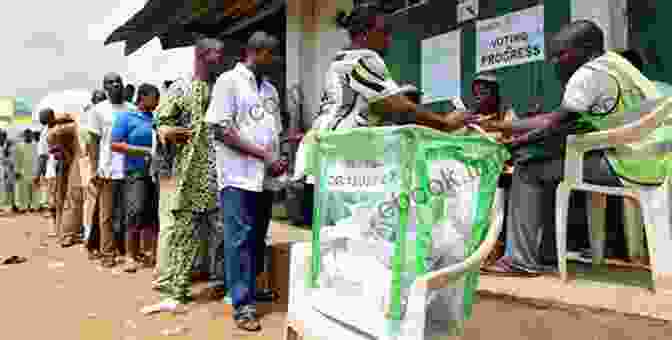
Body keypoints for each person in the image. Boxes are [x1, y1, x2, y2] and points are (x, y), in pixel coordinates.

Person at [477, 20, 662, 275]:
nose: (555, 62)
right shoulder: (618, 65)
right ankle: (548, 254)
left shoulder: (587, 75)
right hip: (658, 161)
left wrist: (508, 141)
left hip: (631, 165)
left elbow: (552, 125)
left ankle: (519, 260)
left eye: (561, 54)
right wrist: (506, 130)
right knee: (549, 168)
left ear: (586, 48)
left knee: (528, 168)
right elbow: (565, 123)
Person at [206, 30, 285, 332]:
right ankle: (241, 304)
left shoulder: (271, 91)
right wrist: (264, 156)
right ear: (256, 53)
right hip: (237, 176)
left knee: (255, 238)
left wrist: (279, 160)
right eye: (272, 54)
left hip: (264, 178)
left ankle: (249, 289)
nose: (275, 60)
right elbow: (221, 130)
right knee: (238, 239)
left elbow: (273, 132)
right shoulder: (229, 82)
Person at [142, 37, 225, 314]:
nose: (220, 59)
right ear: (202, 56)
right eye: (216, 54)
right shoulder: (182, 87)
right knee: (184, 231)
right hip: (190, 173)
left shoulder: (223, 87)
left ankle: (221, 282)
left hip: (223, 173)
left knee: (221, 231)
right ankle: (177, 290)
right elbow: (161, 119)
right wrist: (167, 131)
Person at [84, 73, 136, 267]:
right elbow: (94, 142)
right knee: (106, 214)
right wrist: (94, 169)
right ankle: (107, 253)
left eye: (118, 82)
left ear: (123, 85)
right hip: (107, 170)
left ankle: (128, 251)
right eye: (110, 83)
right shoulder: (98, 111)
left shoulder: (132, 109)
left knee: (128, 213)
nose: (115, 85)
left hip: (130, 169)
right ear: (105, 87)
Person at [111, 84, 161, 273]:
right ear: (142, 98)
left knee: (155, 213)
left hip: (156, 173)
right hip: (135, 172)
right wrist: (144, 151)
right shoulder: (127, 117)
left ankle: (152, 254)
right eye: (154, 97)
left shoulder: (157, 118)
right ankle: (130, 256)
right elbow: (115, 144)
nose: (157, 102)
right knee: (135, 211)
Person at [42, 107, 85, 248]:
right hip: (64, 167)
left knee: (68, 199)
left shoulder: (62, 126)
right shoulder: (57, 129)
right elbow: (54, 149)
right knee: (67, 200)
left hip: (69, 165)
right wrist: (65, 155)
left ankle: (67, 232)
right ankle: (66, 233)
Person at [14, 129, 35, 213]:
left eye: (29, 134)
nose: (28, 136)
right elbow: (17, 159)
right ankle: (23, 207)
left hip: (33, 171)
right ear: (24, 135)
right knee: (22, 191)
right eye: (26, 135)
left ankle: (33, 206)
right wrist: (17, 171)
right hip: (23, 171)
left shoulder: (36, 145)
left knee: (34, 190)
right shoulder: (19, 146)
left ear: (32, 136)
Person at [0, 129, 15, 215]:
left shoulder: (8, 147)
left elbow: (11, 160)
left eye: (3, 136)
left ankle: (11, 205)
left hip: (7, 171)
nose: (2, 138)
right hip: (3, 170)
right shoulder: (5, 147)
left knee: (9, 188)